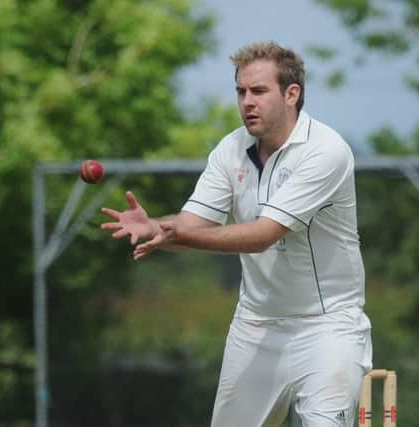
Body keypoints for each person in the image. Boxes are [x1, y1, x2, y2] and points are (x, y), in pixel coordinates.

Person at [101, 41, 372, 427]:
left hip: (328, 327)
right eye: (241, 91)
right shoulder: (231, 149)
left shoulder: (326, 151)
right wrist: (158, 226)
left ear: (291, 94)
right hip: (256, 326)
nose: (247, 101)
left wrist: (176, 234)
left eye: (258, 91)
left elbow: (263, 235)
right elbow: (192, 223)